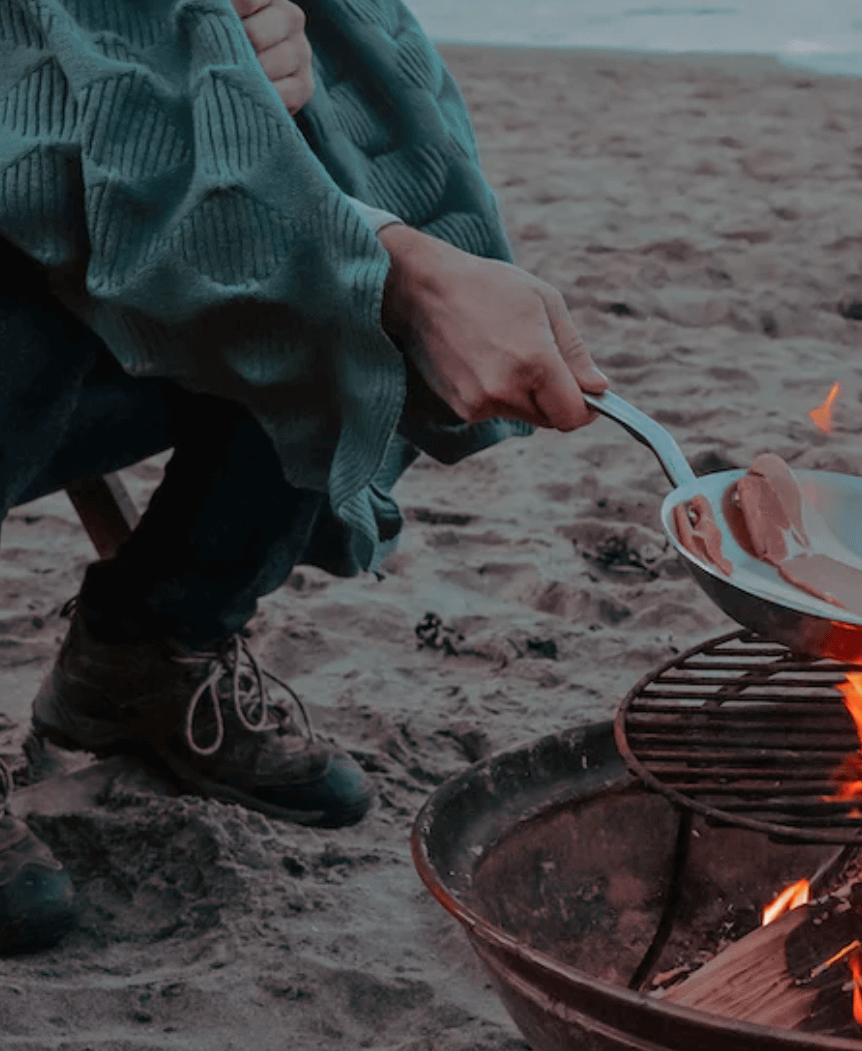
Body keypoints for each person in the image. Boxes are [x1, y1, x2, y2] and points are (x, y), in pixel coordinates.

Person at [0, 0, 607, 954]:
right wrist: (393, 272)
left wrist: (230, 66)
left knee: (324, 262)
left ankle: (148, 656)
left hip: (89, 321)